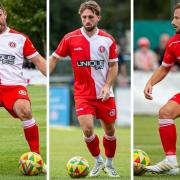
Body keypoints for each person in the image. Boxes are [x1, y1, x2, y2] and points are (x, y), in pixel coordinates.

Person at [50, 0, 119, 177]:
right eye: (84, 17)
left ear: (98, 18)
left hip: (105, 95)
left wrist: (107, 85)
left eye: (90, 17)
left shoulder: (107, 39)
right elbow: (55, 58)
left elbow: (113, 66)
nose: (87, 20)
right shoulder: (70, 38)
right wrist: (45, 72)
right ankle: (98, 161)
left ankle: (109, 164)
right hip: (83, 95)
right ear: (81, 17)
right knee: (88, 129)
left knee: (110, 131)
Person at [0, 4, 46, 172]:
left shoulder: (20, 38)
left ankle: (37, 158)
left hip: (13, 86)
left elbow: (40, 62)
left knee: (25, 111)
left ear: (4, 14)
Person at [144, 3, 180, 175]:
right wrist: (150, 82)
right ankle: (171, 162)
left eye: (178, 18)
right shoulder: (174, 42)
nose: (173, 21)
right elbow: (164, 67)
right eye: (174, 17)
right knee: (165, 113)